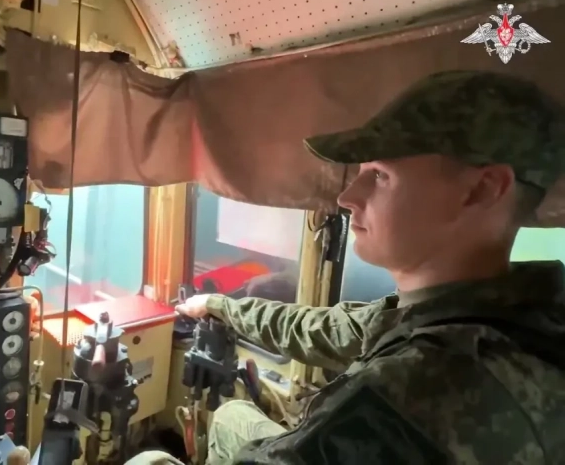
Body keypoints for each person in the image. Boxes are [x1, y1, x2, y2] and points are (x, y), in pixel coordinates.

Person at [126, 70, 565, 465]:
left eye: (380, 176)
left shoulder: (417, 388)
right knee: (231, 417)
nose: (346, 197)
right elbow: (322, 329)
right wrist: (219, 305)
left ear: (481, 190)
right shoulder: (507, 313)